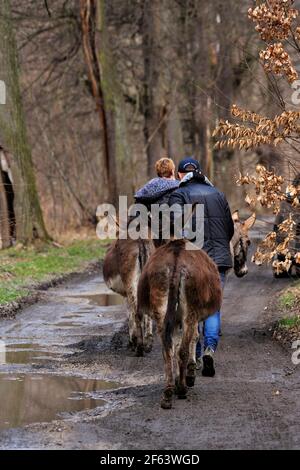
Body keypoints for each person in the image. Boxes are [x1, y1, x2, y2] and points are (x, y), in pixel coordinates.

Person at [168, 157, 234, 377]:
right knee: (213, 306)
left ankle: (193, 355)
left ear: (180, 175)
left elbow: (174, 224)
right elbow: (230, 229)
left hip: (193, 260)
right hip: (220, 259)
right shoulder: (218, 194)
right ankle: (209, 349)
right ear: (199, 172)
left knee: (192, 307)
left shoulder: (179, 194)